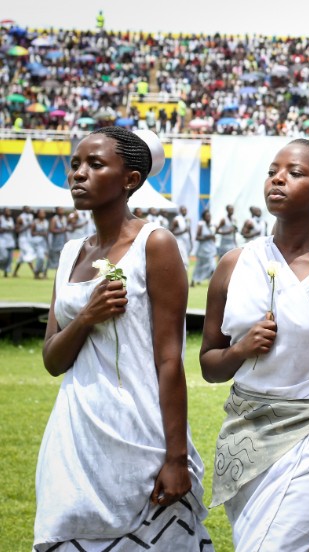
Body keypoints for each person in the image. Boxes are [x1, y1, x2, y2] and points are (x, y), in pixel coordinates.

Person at [35, 126, 211, 550]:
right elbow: (53, 360)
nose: (78, 174)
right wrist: (86, 317)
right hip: (76, 432)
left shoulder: (156, 244)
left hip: (141, 428)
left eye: (95, 164)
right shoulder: (69, 253)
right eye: (75, 164)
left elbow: (170, 360)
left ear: (130, 180)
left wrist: (176, 457)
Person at [200, 139, 309, 550]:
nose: (278, 178)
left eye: (295, 173)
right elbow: (210, 365)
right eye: (274, 171)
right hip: (245, 438)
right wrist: (241, 350)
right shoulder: (234, 263)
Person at [191, 209, 216, 286]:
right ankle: (193, 281)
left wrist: (213, 238)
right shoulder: (201, 225)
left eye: (209, 216)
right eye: (207, 216)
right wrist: (207, 237)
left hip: (211, 249)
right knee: (199, 266)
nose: (209, 217)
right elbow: (197, 238)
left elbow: (214, 236)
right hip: (202, 250)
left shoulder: (213, 225)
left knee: (212, 266)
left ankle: (212, 282)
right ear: (204, 217)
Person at [14, 205, 36, 277]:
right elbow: (17, 230)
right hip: (23, 239)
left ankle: (14, 273)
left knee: (22, 257)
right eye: (27, 207)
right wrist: (26, 227)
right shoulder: (20, 218)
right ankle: (35, 273)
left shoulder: (31, 216)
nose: (29, 209)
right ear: (23, 209)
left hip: (29, 239)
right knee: (28, 254)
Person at [31, 209, 50, 279]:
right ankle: (37, 271)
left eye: (44, 213)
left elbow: (47, 233)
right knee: (41, 258)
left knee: (48, 259)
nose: (43, 214)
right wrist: (41, 234)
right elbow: (32, 233)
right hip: (37, 242)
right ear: (38, 214)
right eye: (41, 213)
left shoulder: (46, 222)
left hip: (45, 242)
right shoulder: (35, 222)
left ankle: (43, 273)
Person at [0, 207, 14, 276]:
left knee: (9, 258)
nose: (9, 212)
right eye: (7, 211)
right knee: (4, 256)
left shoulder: (11, 219)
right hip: (2, 240)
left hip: (10, 240)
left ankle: (6, 272)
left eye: (9, 211)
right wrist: (4, 229)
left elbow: (14, 228)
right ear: (4, 212)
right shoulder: (1, 219)